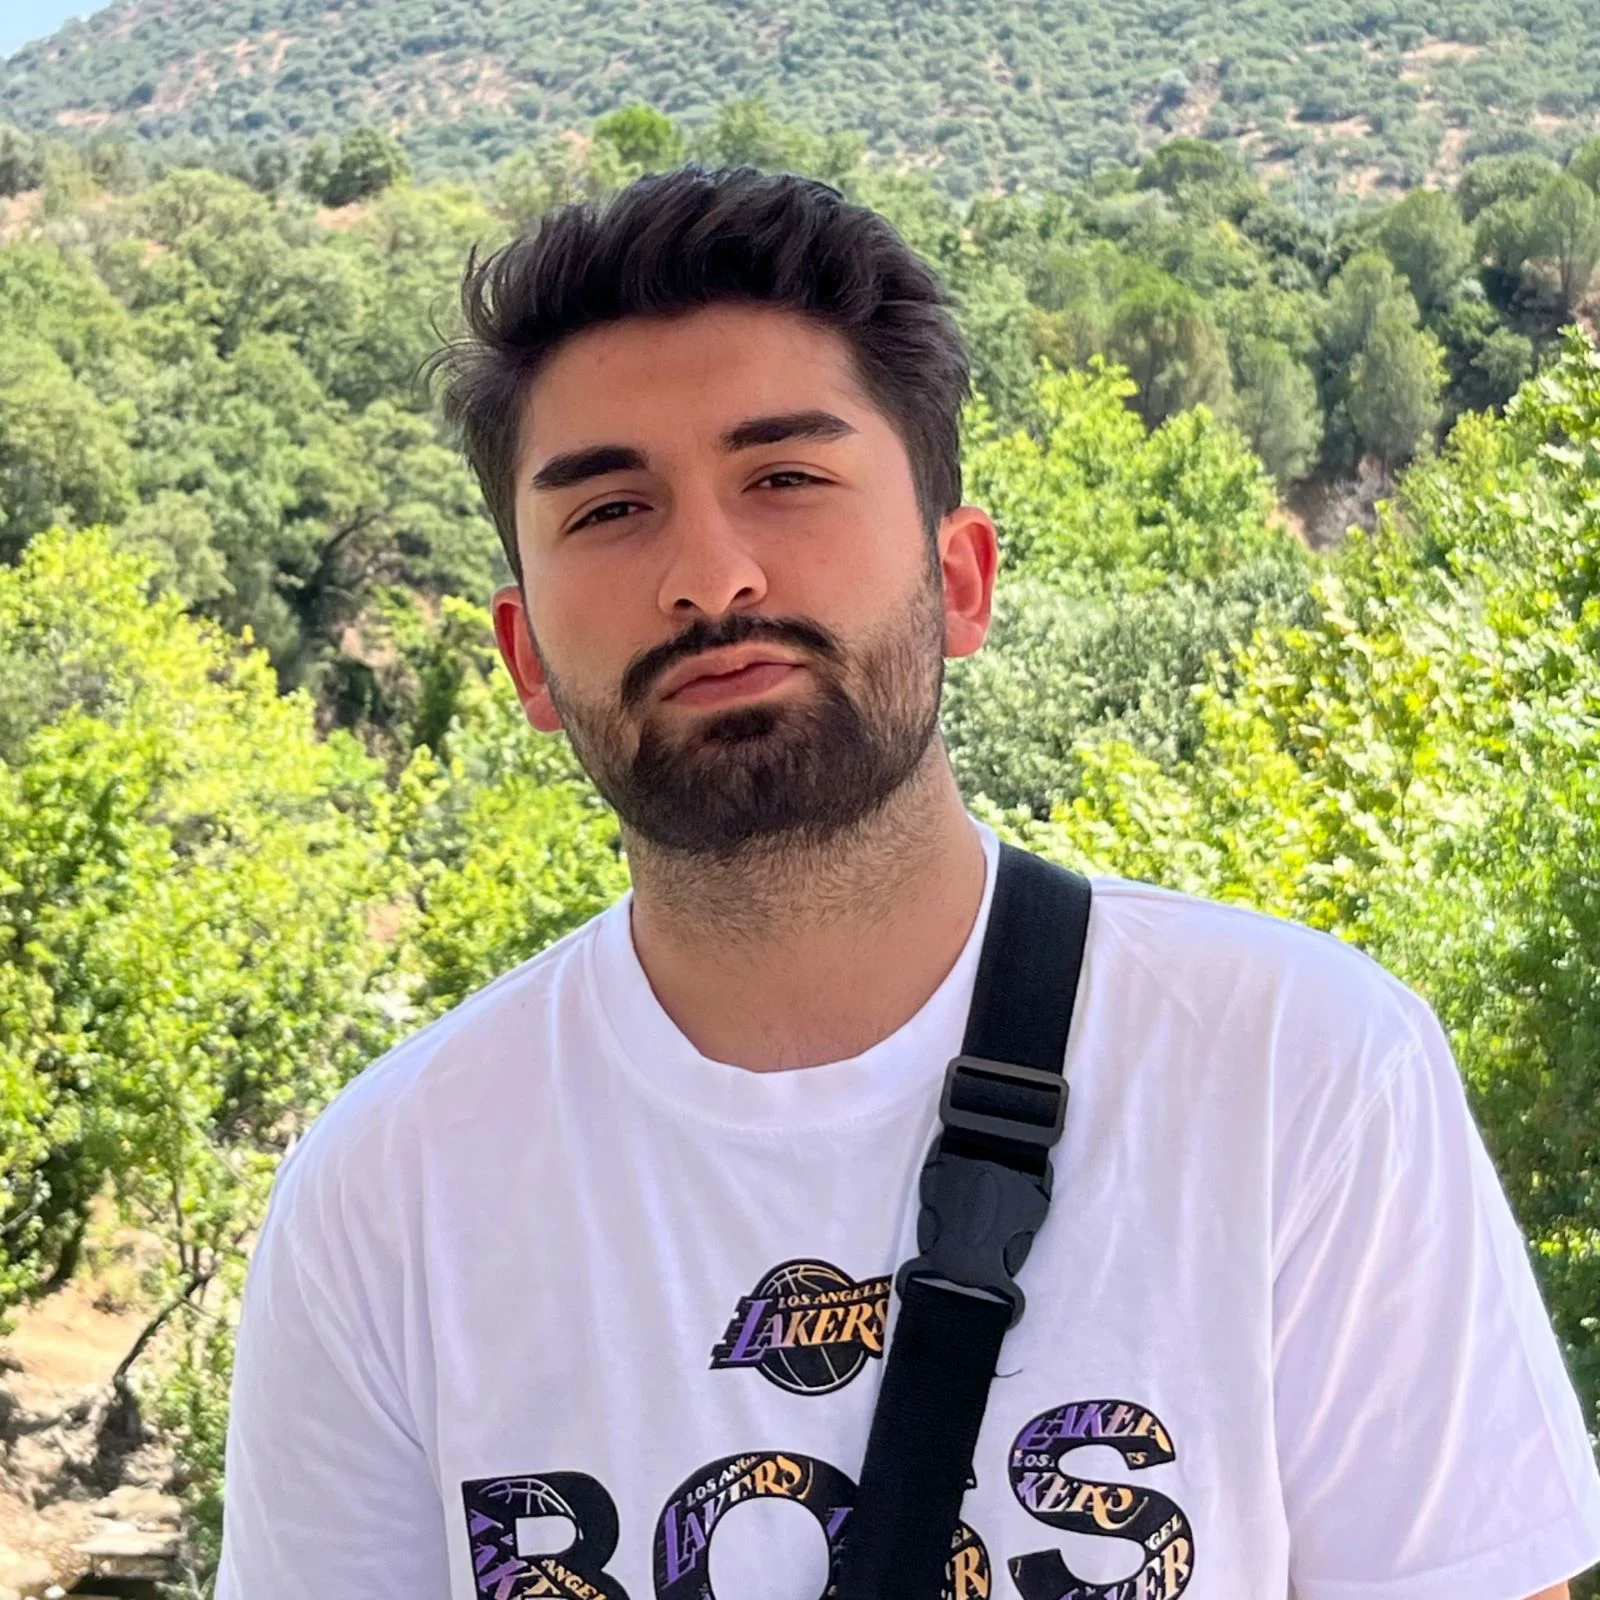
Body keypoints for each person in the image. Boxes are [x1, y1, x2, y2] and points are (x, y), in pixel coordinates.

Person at [215, 167, 1600, 1600]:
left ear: (961, 581)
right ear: (525, 661)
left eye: (785, 479)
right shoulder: (388, 1200)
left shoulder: (1300, 1075)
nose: (710, 574)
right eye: (612, 508)